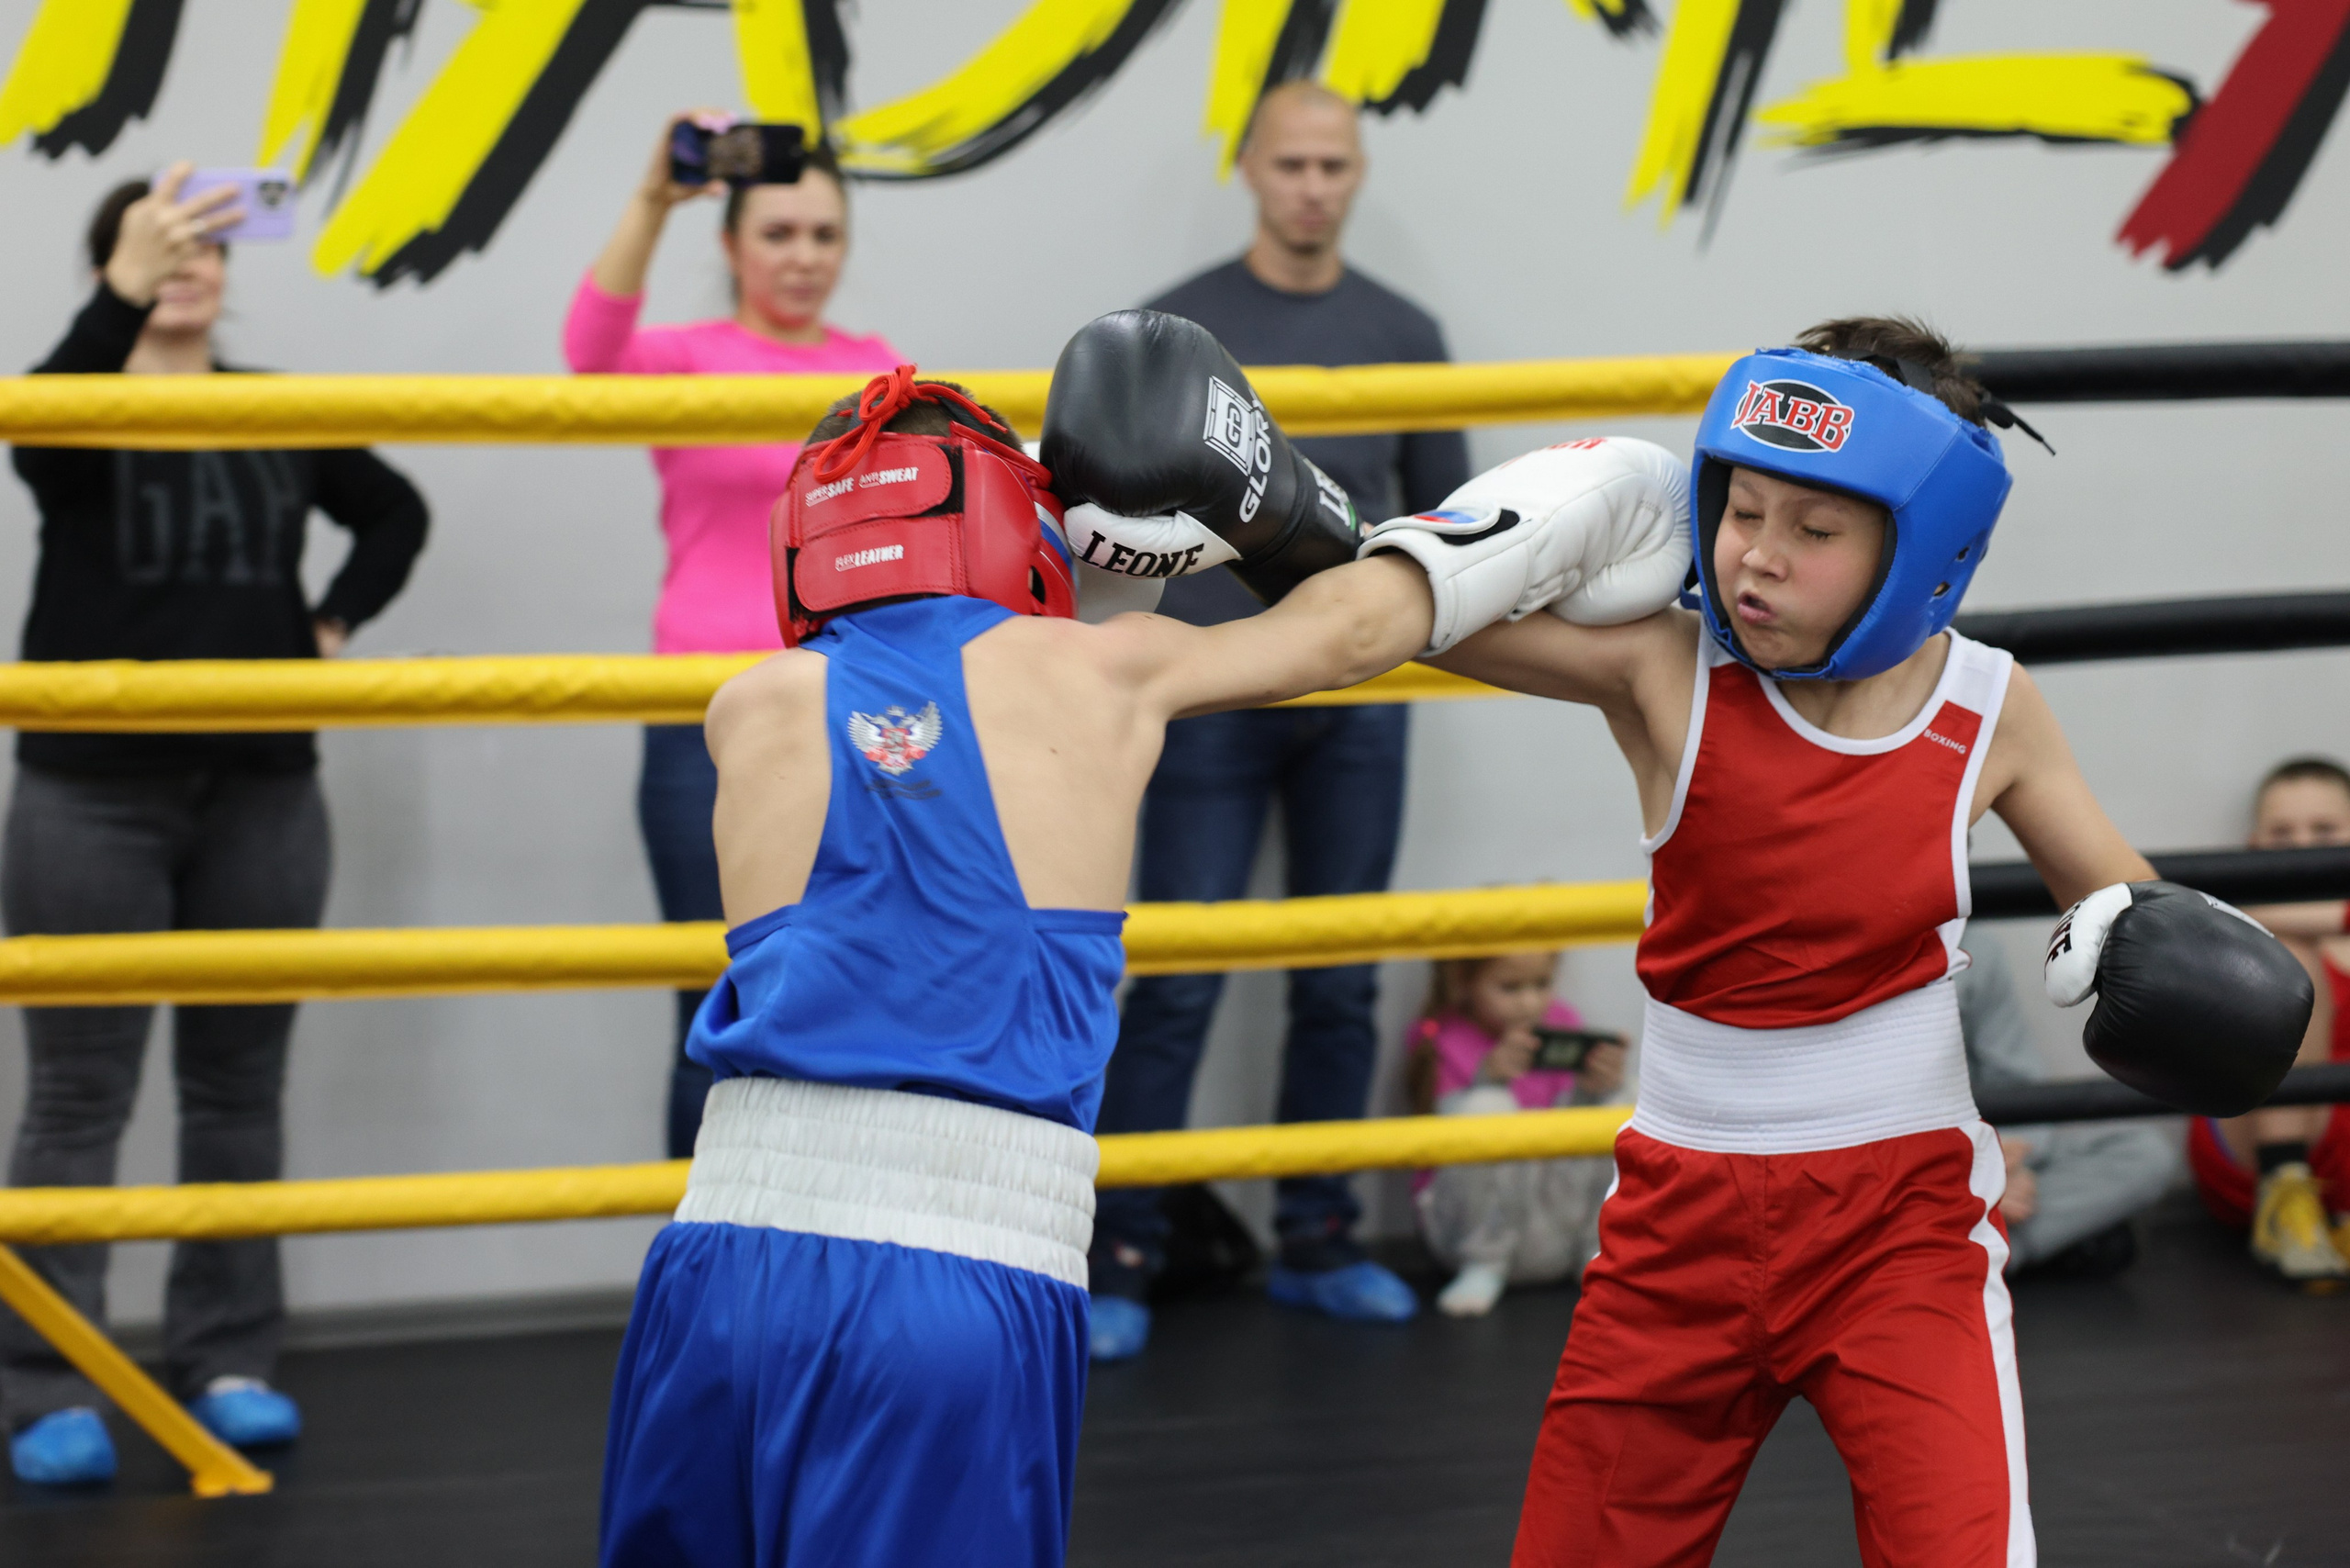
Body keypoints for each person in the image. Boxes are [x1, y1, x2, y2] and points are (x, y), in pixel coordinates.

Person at [594, 310, 1688, 1567]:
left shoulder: (748, 709)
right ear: (1015, 528)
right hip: (953, 1268)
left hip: (718, 1261)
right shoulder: (1106, 675)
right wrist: (1551, 495)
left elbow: (919, 729)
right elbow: (1354, 631)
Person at [1349, 318, 2311, 1565]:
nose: (1755, 558)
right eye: (1744, 510)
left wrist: (2188, 979)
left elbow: (2142, 915)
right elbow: (1422, 614)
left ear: (1918, 549)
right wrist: (1301, 519)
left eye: (1814, 529)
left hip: (1901, 1220)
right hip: (1677, 1218)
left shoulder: (1987, 705)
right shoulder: (1666, 666)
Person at [2, 167, 430, 1485]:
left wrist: (330, 624)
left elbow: (393, 511)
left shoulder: (277, 410)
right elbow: (33, 442)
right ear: (110, 267)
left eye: (208, 243)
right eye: (157, 242)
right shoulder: (75, 399)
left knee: (237, 1088)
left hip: (261, 787)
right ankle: (44, 1385)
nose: (190, 258)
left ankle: (229, 1356)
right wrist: (124, 283)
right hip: (89, 794)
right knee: (80, 1096)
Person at [1088, 78, 1472, 1359]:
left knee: (1341, 971)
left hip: (1361, 696)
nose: (1313, 185)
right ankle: (1122, 1254)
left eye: (1333, 165)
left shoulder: (1407, 330)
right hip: (1212, 686)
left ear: (1356, 175)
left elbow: (1448, 532)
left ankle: (1319, 1238)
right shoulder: (1185, 326)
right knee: (1180, 974)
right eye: (1292, 163)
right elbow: (1124, 518)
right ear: (1250, 168)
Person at [564, 112, 902, 1159]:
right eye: (779, 234)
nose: (803, 259)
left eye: (823, 236)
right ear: (732, 244)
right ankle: (708, 1267)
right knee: (714, 1000)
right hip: (704, 714)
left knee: (847, 995)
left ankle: (816, 1250)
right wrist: (653, 199)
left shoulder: (880, 368)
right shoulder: (685, 357)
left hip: (847, 706)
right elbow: (591, 355)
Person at [2187, 756, 2350, 1286]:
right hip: (2253, 1136)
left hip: (2341, 1137)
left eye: (2323, 830)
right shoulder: (2246, 932)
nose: (2303, 846)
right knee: (2292, 959)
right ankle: (2286, 1197)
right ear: (2256, 846)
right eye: (2284, 833)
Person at [1405, 952, 1628, 1316]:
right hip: (1464, 1238)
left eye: (1542, 984)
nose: (1531, 1002)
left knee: (1621, 1097)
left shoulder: (1562, 1021)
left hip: (1551, 1229)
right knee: (1484, 1107)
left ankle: (1599, 1253)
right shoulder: (1440, 1034)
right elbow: (1438, 1146)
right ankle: (1484, 1263)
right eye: (1510, 988)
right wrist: (1487, 1079)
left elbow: (1570, 1138)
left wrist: (1594, 1090)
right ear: (1464, 981)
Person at [1955, 936, 2177, 1279]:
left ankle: (1980, 1256)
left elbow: (2020, 1090)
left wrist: (1997, 1168)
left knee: (2145, 1153)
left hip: (1987, 1151)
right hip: (1915, 1168)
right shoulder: (1852, 960)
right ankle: (1984, 1253)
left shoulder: (1976, 947)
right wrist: (1964, 1178)